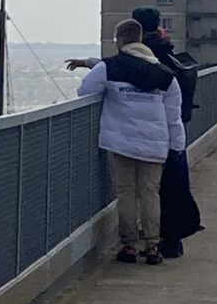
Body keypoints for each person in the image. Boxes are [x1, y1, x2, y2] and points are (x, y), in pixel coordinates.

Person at [77, 18, 185, 265]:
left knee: (126, 194)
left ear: (120, 41)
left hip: (120, 142)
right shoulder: (166, 76)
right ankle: (152, 246)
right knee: (150, 193)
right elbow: (174, 118)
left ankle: (129, 246)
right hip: (155, 144)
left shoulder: (110, 67)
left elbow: (84, 91)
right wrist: (176, 147)